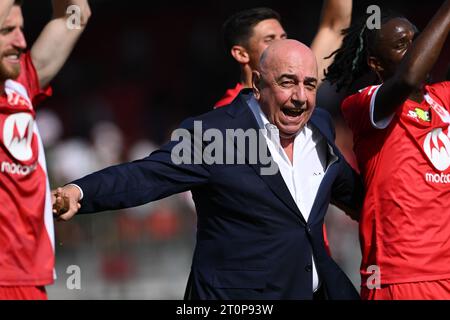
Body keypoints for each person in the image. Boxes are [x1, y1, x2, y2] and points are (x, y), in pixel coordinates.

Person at [53, 39, 363, 300]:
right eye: (287, 82)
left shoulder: (320, 126)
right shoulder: (215, 136)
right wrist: (81, 192)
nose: (300, 97)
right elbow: (146, 175)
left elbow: (352, 193)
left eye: (309, 85)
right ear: (257, 84)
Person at [325, 1, 450, 299]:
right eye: (401, 45)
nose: (416, 50)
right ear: (376, 64)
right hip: (402, 278)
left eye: (417, 41)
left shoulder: (443, 99)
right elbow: (407, 78)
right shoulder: (363, 104)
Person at [0, 0, 91, 300]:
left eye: (21, 30)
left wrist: (41, 199)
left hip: (29, 279)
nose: (21, 41)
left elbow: (75, 14)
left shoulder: (20, 85)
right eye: (7, 31)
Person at [215, 0, 352, 108]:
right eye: (270, 39)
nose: (282, 44)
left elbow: (334, 27)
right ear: (241, 54)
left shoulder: (300, 84)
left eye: (283, 37)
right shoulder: (229, 110)